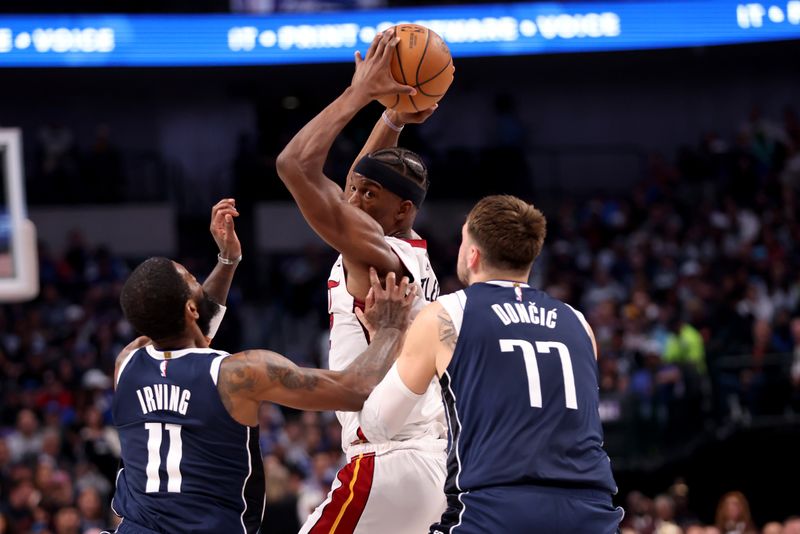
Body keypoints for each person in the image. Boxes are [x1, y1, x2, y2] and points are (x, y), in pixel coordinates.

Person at [108, 198, 416, 534]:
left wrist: (228, 260)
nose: (199, 283)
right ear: (191, 310)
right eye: (192, 279)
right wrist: (391, 327)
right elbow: (356, 389)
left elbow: (191, 336)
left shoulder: (127, 362)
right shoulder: (241, 375)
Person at [359, 195, 624, 533]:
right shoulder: (579, 324)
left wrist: (387, 336)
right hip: (592, 514)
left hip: (496, 513)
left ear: (473, 254)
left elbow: (378, 424)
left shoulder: (447, 315)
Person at [276, 30, 447, 532]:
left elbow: (294, 166)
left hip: (390, 457)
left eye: (370, 195)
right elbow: (352, 186)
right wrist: (392, 118)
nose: (354, 198)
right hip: (424, 458)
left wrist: (361, 92)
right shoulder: (407, 250)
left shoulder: (380, 259)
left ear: (403, 210)